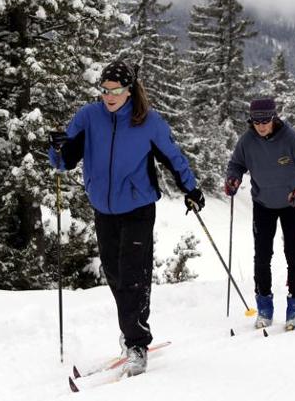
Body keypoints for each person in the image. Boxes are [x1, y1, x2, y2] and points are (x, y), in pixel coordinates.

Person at [48, 60, 204, 377]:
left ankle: (136, 343)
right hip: (103, 209)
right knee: (116, 275)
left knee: (134, 275)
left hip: (137, 207)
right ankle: (132, 328)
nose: (109, 95)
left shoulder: (148, 122)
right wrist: (57, 148)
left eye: (116, 90)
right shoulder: (89, 117)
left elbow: (173, 158)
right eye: (105, 90)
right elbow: (64, 161)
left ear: (129, 90)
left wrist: (191, 188)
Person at [224, 98, 295, 330]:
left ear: (274, 118)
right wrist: (233, 178)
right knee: (262, 256)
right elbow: (236, 164)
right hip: (263, 203)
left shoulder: (289, 138)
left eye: (266, 120)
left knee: (293, 254)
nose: (262, 126)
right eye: (257, 121)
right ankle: (264, 307)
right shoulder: (247, 141)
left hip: (291, 203)